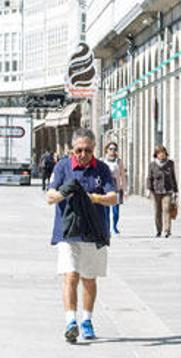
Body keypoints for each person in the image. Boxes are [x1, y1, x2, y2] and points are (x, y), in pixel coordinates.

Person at [45, 128, 117, 342]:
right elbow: (49, 196)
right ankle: (70, 322)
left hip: (94, 231)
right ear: (72, 149)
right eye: (78, 150)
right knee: (71, 275)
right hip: (68, 231)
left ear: (94, 148)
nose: (83, 154)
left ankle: (87, 319)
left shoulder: (102, 169)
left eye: (87, 150)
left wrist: (93, 198)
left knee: (89, 279)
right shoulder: (62, 167)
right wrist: (62, 193)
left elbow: (113, 197)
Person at [147, 145, 178, 238]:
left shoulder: (170, 163)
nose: (161, 155)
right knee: (157, 211)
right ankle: (158, 230)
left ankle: (167, 230)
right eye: (159, 153)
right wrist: (148, 189)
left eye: (163, 152)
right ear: (156, 154)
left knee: (167, 209)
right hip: (156, 191)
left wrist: (176, 191)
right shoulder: (152, 164)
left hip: (168, 190)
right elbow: (149, 178)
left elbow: (173, 177)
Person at [102, 142, 127, 235]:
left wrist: (124, 189)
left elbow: (123, 176)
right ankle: (107, 228)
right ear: (106, 150)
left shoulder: (119, 161)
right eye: (111, 149)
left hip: (116, 188)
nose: (113, 151)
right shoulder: (102, 161)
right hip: (105, 188)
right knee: (106, 210)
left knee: (116, 210)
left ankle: (115, 227)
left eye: (115, 149)